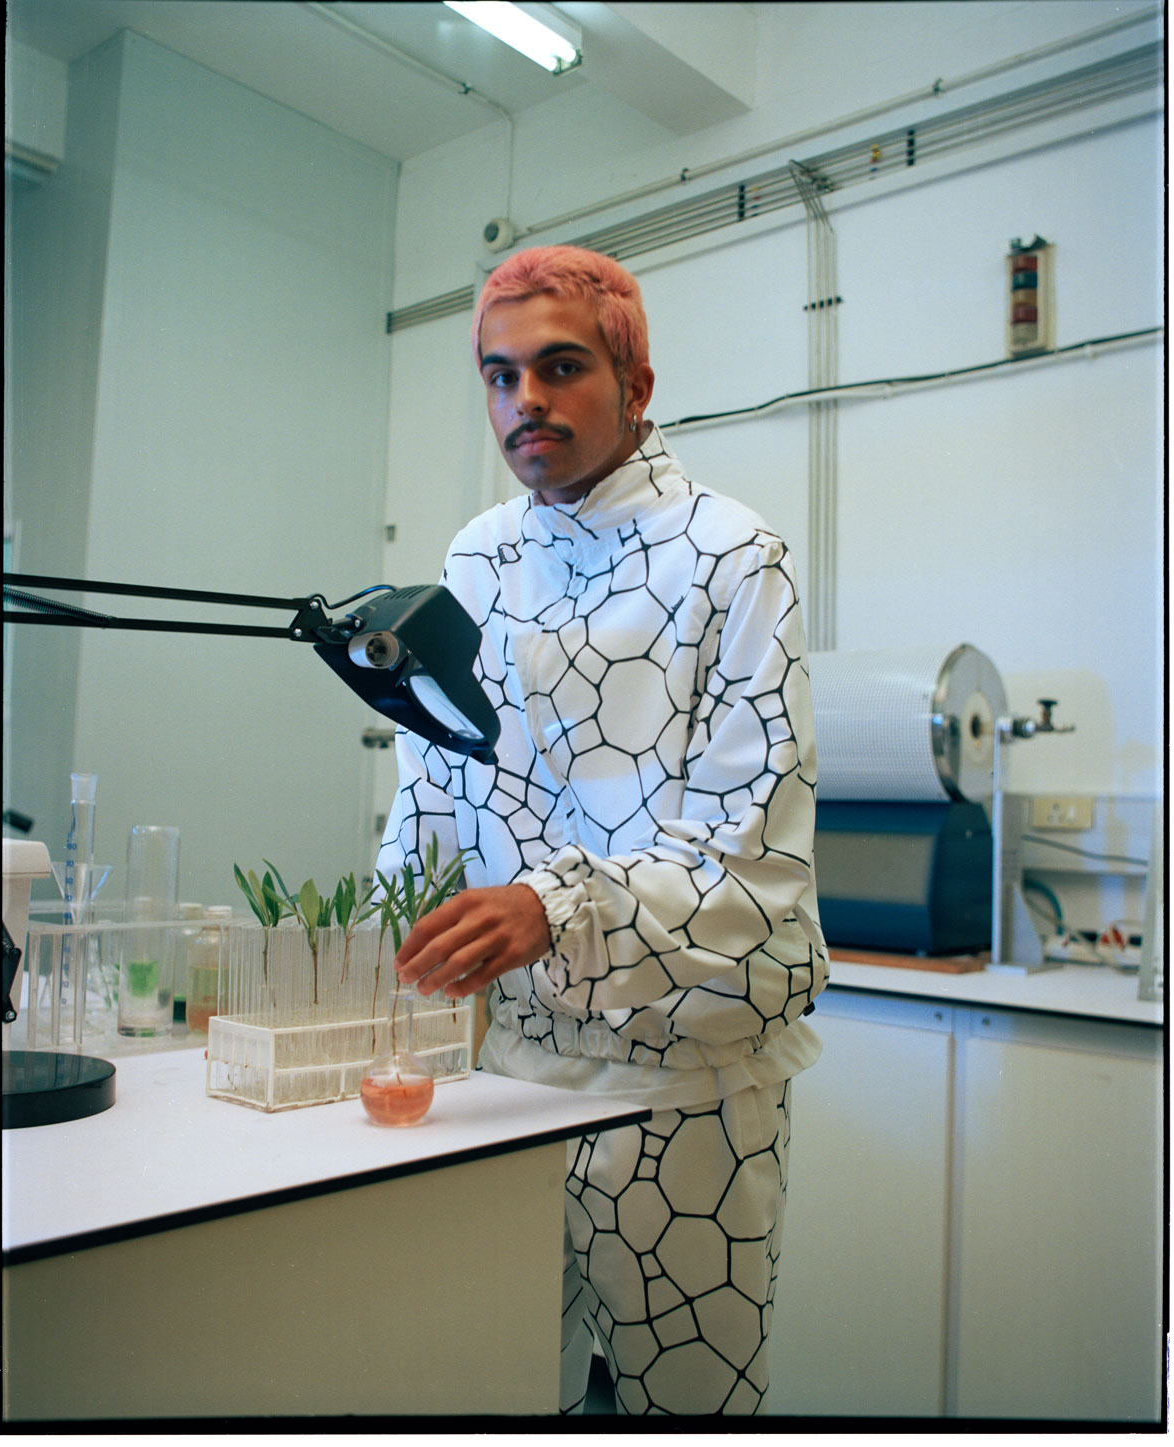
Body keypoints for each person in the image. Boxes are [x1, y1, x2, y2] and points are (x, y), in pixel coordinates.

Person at [380, 245, 829, 1415]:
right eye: (500, 375)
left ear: (637, 384)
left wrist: (554, 905)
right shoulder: (478, 558)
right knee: (497, 1391)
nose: (524, 400)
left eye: (561, 367)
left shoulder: (732, 556)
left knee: (685, 1408)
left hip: (686, 1092)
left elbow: (751, 872)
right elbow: (431, 794)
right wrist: (371, 949)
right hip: (510, 1075)